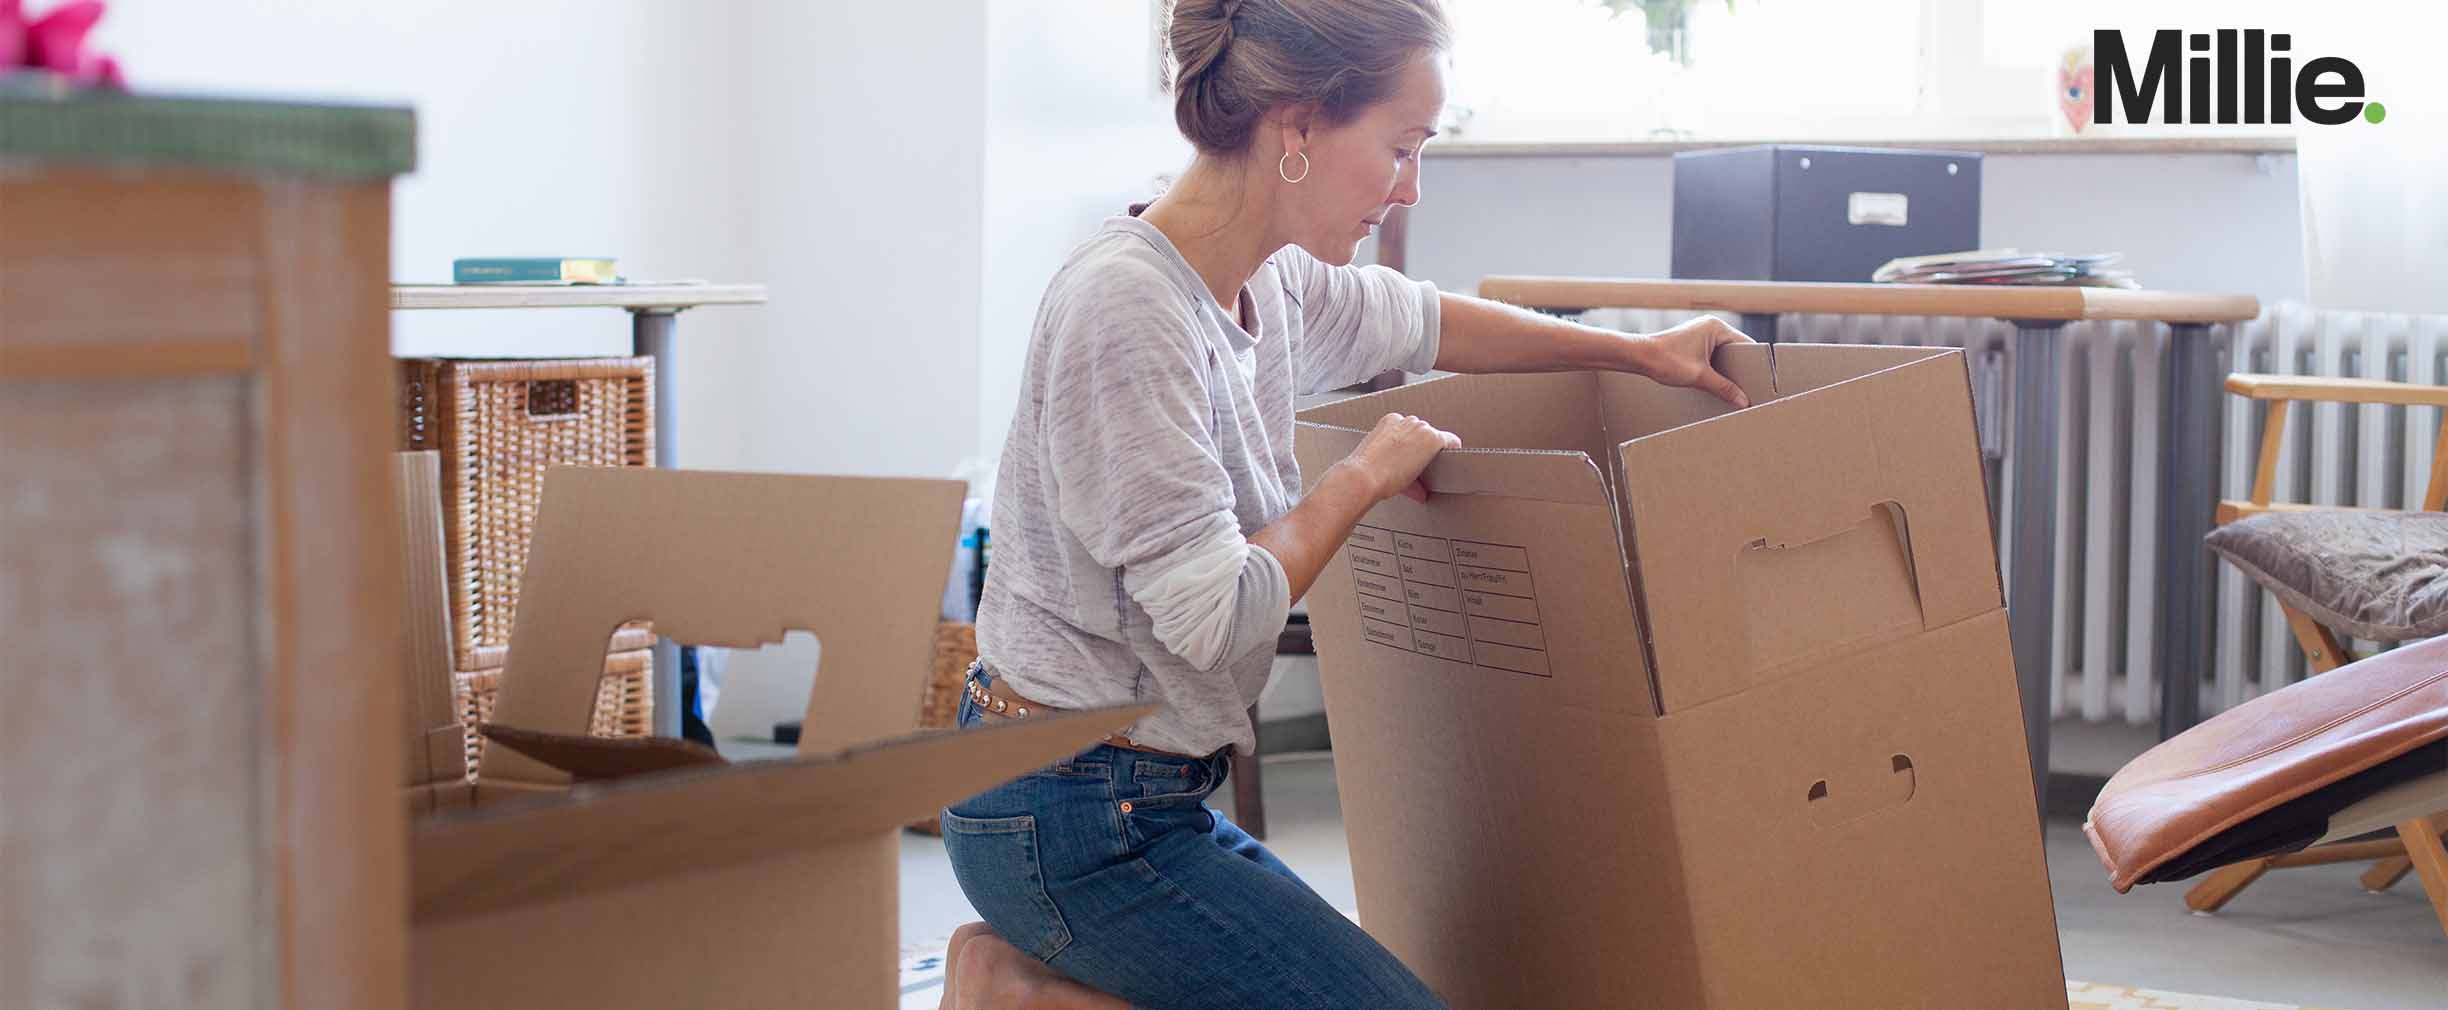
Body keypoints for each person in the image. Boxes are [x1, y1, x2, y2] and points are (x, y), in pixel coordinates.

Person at [938, 2, 1750, 1007]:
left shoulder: (1264, 281)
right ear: (1300, 124)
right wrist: (1360, 475)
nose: (1409, 186)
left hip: (1140, 796)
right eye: (1401, 148)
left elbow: (1421, 321)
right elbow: (1215, 613)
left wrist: (1637, 350)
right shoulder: (1128, 310)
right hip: (1065, 814)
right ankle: (1022, 983)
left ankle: (1019, 980)